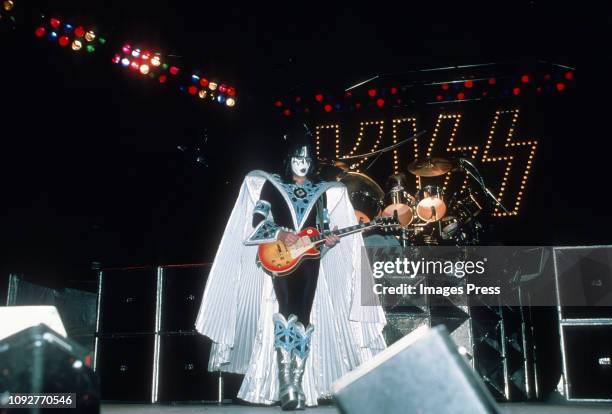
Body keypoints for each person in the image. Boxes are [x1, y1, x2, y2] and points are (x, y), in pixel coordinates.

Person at [195, 124, 386, 410]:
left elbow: (322, 230)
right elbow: (257, 221)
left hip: (309, 259)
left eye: (308, 160)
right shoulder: (272, 186)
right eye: (298, 158)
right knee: (285, 312)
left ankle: (296, 382)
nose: (303, 164)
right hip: (280, 257)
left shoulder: (321, 192)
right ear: (289, 159)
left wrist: (330, 240)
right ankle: (286, 384)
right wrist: (280, 233)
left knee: (304, 318)